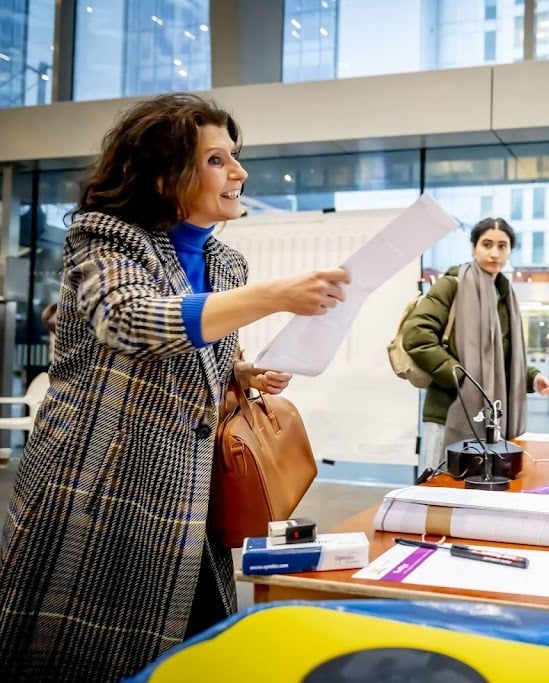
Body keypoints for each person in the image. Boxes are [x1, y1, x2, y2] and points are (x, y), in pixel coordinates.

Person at [0, 93, 351, 682]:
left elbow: (201, 355)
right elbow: (130, 320)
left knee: (183, 655)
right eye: (217, 160)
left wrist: (240, 373)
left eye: (235, 157)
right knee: (77, 657)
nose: (239, 173)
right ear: (164, 176)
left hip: (189, 494)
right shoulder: (102, 240)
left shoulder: (225, 263)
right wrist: (276, 295)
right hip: (97, 489)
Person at [403, 217, 549, 472]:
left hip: (492, 419)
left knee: (476, 493)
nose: (494, 253)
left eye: (502, 246)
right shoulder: (453, 284)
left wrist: (532, 377)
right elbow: (417, 335)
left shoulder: (505, 293)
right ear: (473, 248)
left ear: (509, 251)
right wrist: (461, 377)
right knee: (437, 489)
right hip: (449, 410)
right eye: (487, 244)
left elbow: (501, 355)